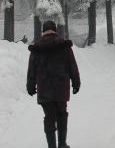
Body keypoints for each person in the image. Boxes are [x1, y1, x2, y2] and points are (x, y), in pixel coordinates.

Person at [26, 20, 81, 148]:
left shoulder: (36, 48)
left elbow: (31, 70)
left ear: (43, 31)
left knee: (49, 116)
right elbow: (72, 66)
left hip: (44, 90)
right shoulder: (64, 46)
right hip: (61, 89)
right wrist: (76, 83)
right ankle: (62, 144)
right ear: (55, 30)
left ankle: (52, 146)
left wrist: (30, 86)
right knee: (62, 113)